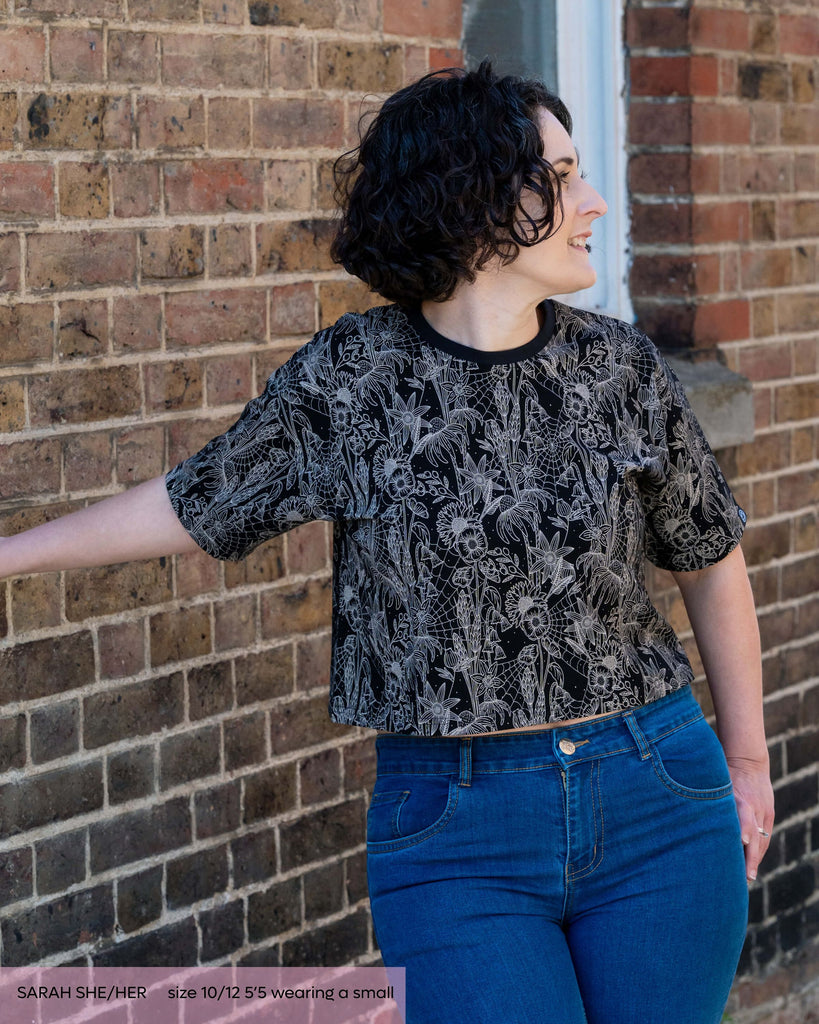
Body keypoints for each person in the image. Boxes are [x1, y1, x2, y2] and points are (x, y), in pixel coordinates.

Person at [0, 63, 773, 1024]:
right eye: (564, 177)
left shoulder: (616, 366)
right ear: (476, 194)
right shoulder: (355, 379)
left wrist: (746, 763)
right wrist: (9, 555)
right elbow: (195, 502)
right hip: (456, 827)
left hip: (656, 791)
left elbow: (708, 554)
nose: (597, 201)